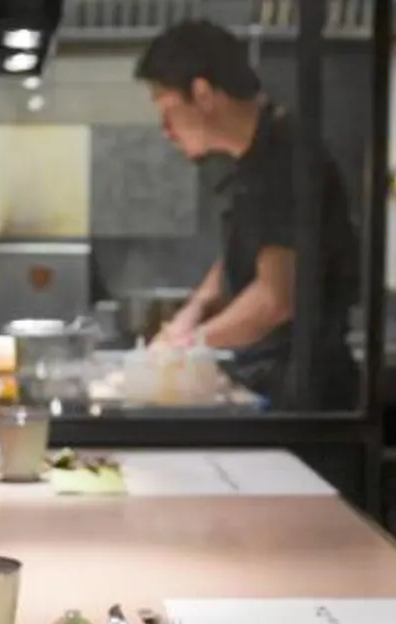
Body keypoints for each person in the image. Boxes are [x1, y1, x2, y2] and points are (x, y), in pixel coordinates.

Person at [135, 19, 360, 409]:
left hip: (304, 399)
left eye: (167, 109)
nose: (165, 129)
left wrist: (189, 345)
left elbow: (275, 299)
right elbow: (244, 257)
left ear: (203, 93)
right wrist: (191, 313)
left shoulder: (286, 157)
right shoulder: (256, 158)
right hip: (274, 381)